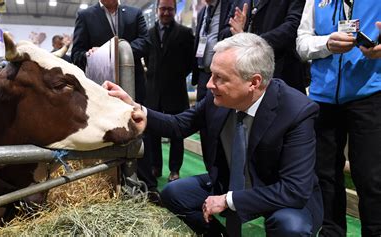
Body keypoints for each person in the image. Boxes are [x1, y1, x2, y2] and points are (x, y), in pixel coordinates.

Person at [104, 33, 323, 236]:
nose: (209, 84)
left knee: (291, 226)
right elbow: (179, 125)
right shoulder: (219, 98)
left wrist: (228, 200)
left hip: (277, 192)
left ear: (254, 82)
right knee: (173, 193)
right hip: (230, 179)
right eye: (211, 74)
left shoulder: (297, 111)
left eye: (220, 77)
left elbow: (294, 189)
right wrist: (138, 109)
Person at [296, 0, 381, 235]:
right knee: (325, 174)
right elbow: (302, 43)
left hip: (370, 95)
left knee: (370, 176)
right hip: (323, 97)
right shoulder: (315, 1)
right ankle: (331, 232)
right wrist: (327, 43)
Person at [71, 0, 155, 198]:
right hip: (102, 92)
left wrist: (115, 51)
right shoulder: (86, 16)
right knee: (107, 134)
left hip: (134, 88)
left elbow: (145, 42)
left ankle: (147, 185)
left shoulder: (134, 13)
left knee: (141, 129)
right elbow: (76, 54)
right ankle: (108, 185)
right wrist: (90, 55)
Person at [145, 0, 195, 182]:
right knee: (152, 132)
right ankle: (155, 167)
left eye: (170, 9)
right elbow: (145, 57)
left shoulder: (185, 33)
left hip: (176, 90)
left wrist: (176, 75)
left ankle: (175, 170)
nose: (166, 12)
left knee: (177, 132)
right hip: (153, 92)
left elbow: (191, 62)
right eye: (163, 9)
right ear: (157, 9)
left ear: (175, 10)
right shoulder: (148, 34)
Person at [227, 0, 308, 94]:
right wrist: (238, 32)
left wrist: (254, 42)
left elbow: (293, 25)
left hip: (281, 70)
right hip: (242, 70)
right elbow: (225, 29)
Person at [192, 0, 234, 102]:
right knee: (201, 113)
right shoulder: (202, 12)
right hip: (202, 73)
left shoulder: (230, 5)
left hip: (220, 74)